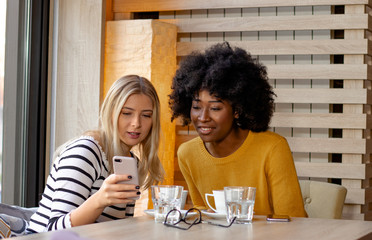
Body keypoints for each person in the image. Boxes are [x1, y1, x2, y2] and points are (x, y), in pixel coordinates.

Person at [168, 42, 307, 217]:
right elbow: (202, 213)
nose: (203, 117)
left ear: (237, 110)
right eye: (196, 107)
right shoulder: (187, 154)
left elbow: (293, 220)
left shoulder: (272, 148)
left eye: (215, 108)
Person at [27, 75, 165, 233]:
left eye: (146, 115)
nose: (136, 123)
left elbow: (117, 229)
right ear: (110, 112)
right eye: (126, 113)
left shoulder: (131, 162)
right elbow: (54, 231)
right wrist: (100, 200)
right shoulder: (86, 152)